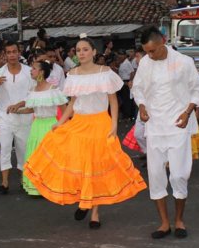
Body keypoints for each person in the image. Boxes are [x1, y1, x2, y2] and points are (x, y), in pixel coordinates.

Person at [24, 37, 147, 228]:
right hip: (79, 124)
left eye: (85, 49)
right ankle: (84, 199)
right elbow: (72, 102)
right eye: (78, 50)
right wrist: (61, 122)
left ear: (94, 52)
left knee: (95, 168)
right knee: (79, 165)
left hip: (100, 123)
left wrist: (114, 124)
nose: (81, 53)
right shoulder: (72, 74)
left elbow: (113, 101)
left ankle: (94, 212)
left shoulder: (105, 73)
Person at [132, 26, 199, 239]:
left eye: (153, 50)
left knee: (179, 174)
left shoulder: (183, 62)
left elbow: (197, 91)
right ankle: (164, 223)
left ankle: (179, 220)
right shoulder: (145, 63)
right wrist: (142, 106)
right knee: (155, 176)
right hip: (155, 126)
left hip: (177, 126)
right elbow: (138, 89)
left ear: (163, 42)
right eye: (147, 51)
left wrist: (188, 111)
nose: (150, 55)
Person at [7, 61, 67, 196]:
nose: (31, 70)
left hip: (50, 125)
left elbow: (64, 109)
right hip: (36, 126)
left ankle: (51, 186)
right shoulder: (33, 90)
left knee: (50, 157)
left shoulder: (53, 89)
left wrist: (64, 127)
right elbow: (32, 109)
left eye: (34, 68)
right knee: (35, 155)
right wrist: (18, 111)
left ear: (41, 72)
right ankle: (39, 186)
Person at [0, 41, 34, 194]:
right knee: (5, 147)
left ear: (19, 53)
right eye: (9, 52)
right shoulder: (0, 73)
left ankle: (23, 180)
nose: (12, 55)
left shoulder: (29, 72)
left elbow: (35, 94)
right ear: (5, 55)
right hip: (5, 116)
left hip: (25, 116)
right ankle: (5, 182)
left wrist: (21, 105)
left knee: (23, 149)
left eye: (15, 51)